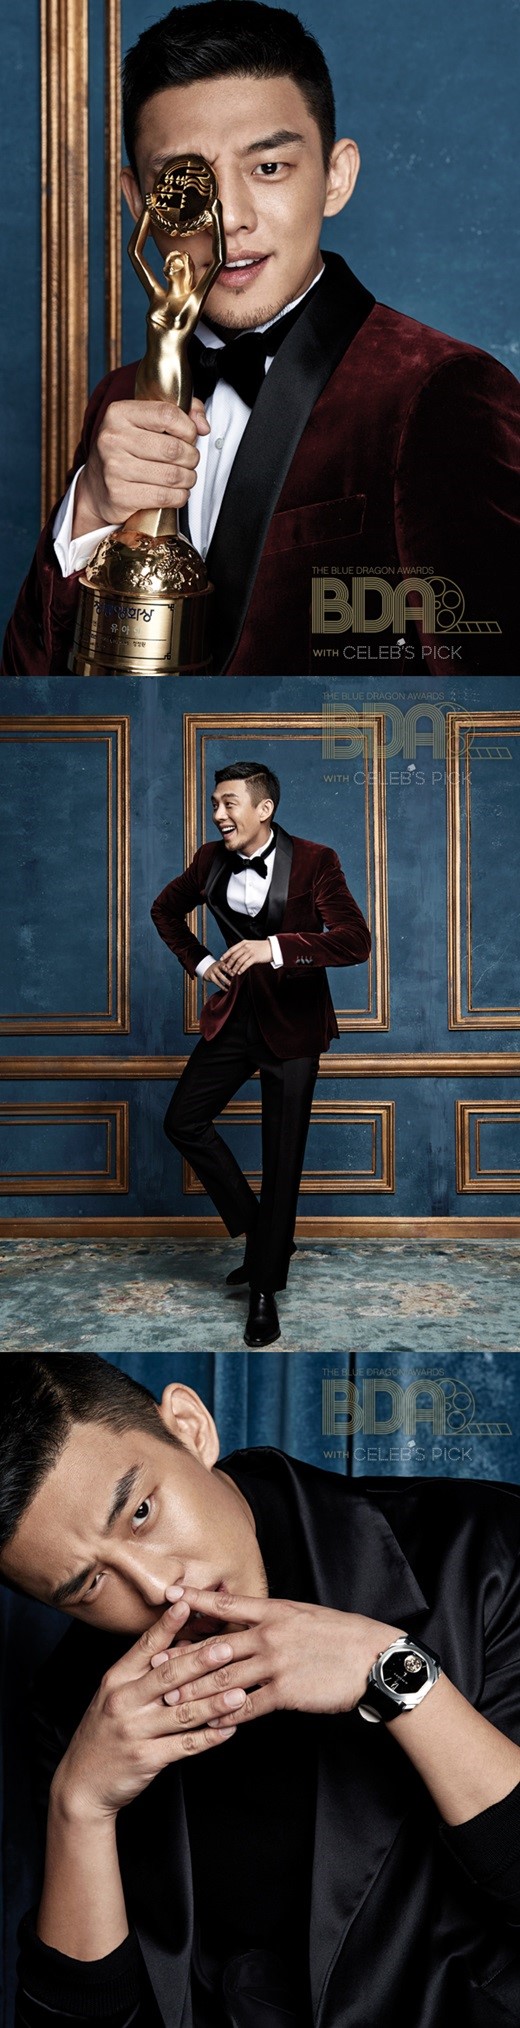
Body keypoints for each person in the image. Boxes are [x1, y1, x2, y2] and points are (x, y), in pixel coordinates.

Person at [2, 1352, 520, 2028]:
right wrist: (78, 1809)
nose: (158, 1588)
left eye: (142, 1512)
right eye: (90, 1585)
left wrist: (390, 1670)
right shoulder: (76, 1703)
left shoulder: (482, 1550)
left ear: (189, 1427)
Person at [2, 0, 519, 677]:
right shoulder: (120, 399)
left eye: (269, 168)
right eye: (186, 184)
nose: (230, 221)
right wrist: (91, 510)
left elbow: (491, 716)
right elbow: (34, 706)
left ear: (335, 176)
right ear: (138, 203)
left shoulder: (442, 390)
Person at [150, 760, 371, 1346]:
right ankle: (263, 1232)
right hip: (236, 1018)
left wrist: (273, 947)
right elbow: (164, 911)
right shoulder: (209, 860)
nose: (218, 814)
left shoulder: (317, 860)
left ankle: (265, 1290)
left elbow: (356, 941)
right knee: (183, 1121)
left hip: (295, 1028)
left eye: (229, 803)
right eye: (215, 804)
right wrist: (203, 963)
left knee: (282, 1159)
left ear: (264, 809)